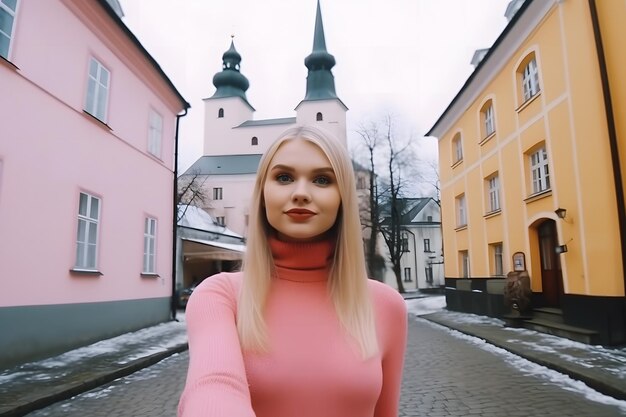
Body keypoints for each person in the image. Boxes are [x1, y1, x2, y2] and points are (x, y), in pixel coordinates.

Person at [178, 125, 407, 417]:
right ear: (262, 193)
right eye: (284, 177)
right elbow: (212, 386)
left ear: (343, 198)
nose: (300, 193)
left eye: (322, 179)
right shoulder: (220, 296)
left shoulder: (386, 306)